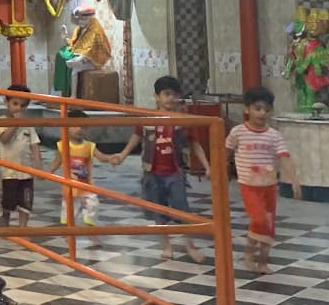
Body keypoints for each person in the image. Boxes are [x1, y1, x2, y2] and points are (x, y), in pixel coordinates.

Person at [111, 76, 210, 263]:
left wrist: (207, 166)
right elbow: (136, 137)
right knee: (159, 211)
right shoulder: (147, 118)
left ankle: (190, 245)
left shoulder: (183, 120)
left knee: (182, 209)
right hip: (152, 173)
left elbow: (194, 144)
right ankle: (166, 245)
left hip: (175, 172)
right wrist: (122, 155)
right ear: (157, 97)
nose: (170, 99)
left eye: (174, 95)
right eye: (166, 94)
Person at [226, 87, 302, 275]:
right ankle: (249, 254)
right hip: (248, 185)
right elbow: (224, 152)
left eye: (266, 110)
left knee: (268, 224)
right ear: (247, 109)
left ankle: (262, 262)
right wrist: (218, 172)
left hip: (269, 186)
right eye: (257, 108)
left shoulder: (274, 135)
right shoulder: (238, 132)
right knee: (259, 220)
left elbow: (284, 157)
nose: (262, 113)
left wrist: (294, 181)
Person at [47, 109, 117, 246]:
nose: (78, 129)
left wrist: (111, 159)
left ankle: (92, 235)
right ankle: (69, 235)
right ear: (66, 128)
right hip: (70, 186)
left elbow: (101, 157)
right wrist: (44, 173)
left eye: (82, 126)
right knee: (69, 213)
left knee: (92, 207)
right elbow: (56, 162)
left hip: (86, 186)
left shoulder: (89, 146)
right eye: (74, 125)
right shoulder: (62, 145)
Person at [0, 84, 41, 227]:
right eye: (15, 104)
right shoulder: (1, 121)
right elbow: (4, 139)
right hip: (9, 172)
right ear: (6, 102)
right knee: (8, 201)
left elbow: (34, 143)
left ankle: (23, 228)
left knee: (26, 201)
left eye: (22, 106)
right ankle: (5, 219)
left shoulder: (28, 125)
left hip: (26, 172)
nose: (18, 108)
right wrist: (15, 124)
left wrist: (37, 162)